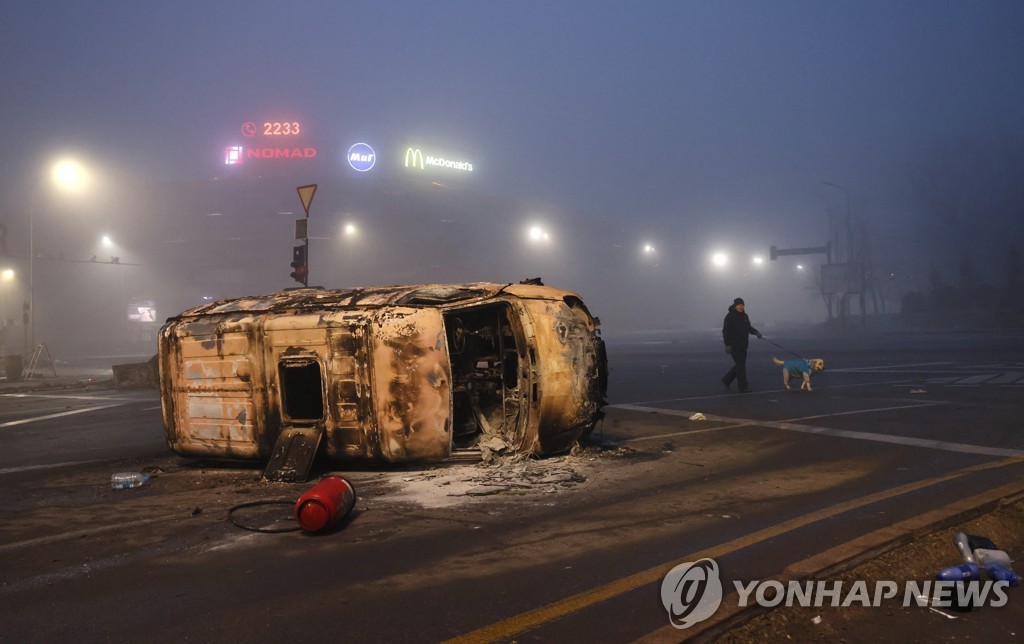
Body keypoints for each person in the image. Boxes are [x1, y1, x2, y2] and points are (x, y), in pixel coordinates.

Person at [721, 297, 761, 393]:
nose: (741, 307)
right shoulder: (730, 316)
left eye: (742, 305)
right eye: (739, 305)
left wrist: (756, 332)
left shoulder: (745, 316)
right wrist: (727, 344)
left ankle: (726, 380)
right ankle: (743, 388)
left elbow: (748, 328)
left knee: (740, 365)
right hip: (734, 345)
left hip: (744, 345)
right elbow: (725, 331)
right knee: (741, 366)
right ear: (735, 306)